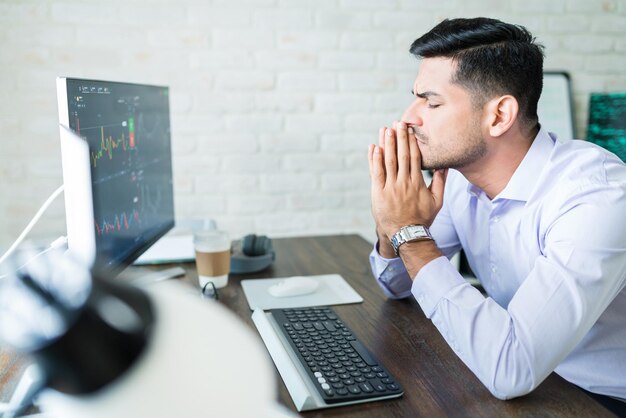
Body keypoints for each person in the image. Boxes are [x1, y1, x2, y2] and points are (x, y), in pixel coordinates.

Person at [367, 17, 626, 414]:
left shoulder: (597, 198)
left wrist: (410, 232)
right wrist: (392, 224)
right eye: (416, 98)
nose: (409, 117)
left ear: (499, 115)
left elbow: (511, 369)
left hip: (599, 398)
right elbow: (397, 286)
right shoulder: (456, 179)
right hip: (519, 373)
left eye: (432, 102)